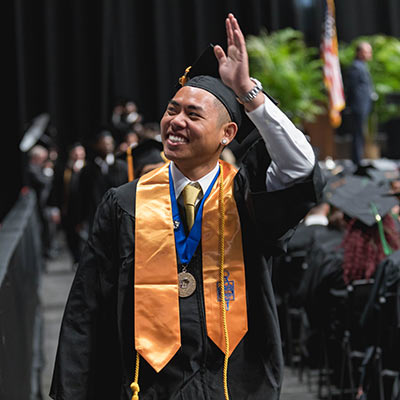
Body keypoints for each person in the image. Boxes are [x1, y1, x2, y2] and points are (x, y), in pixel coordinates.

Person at [50, 14, 323, 400]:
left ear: (227, 134)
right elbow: (86, 309)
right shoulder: (125, 203)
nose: (175, 121)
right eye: (172, 110)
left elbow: (301, 167)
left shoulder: (245, 196)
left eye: (193, 115)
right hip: (146, 385)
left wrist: (248, 92)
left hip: (233, 382)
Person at [77, 130, 128, 233]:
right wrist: (81, 218)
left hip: (118, 216)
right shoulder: (88, 170)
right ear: (96, 145)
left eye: (109, 143)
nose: (107, 146)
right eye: (103, 143)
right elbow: (82, 195)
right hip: (95, 217)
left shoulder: (122, 167)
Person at [345, 41, 375, 165]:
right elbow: (352, 88)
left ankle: (359, 159)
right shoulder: (355, 67)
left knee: (361, 133)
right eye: (367, 51)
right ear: (359, 52)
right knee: (357, 133)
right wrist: (354, 106)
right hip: (358, 107)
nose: (370, 54)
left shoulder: (362, 66)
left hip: (364, 106)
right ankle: (357, 161)